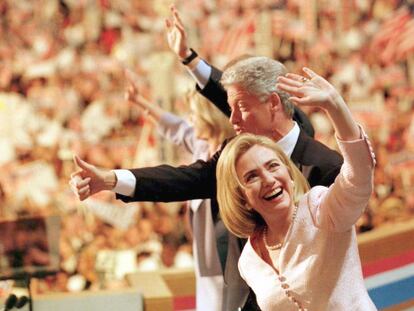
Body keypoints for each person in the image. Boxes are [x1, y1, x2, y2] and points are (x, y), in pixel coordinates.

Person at [216, 67, 377, 310]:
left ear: (290, 175)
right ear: (242, 198)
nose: (268, 179)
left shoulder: (319, 209)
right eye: (251, 177)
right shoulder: (249, 260)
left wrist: (335, 106)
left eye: (272, 166)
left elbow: (359, 176)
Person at [124, 71, 234, 311]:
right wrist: (141, 102)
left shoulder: (231, 153)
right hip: (205, 262)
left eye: (194, 114)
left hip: (228, 261)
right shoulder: (202, 146)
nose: (191, 120)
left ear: (210, 117)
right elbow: (176, 128)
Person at [165, 5, 316, 139]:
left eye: (241, 107)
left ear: (273, 102)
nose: (233, 118)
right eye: (231, 108)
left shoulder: (299, 128)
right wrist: (187, 57)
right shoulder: (240, 145)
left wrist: (188, 57)